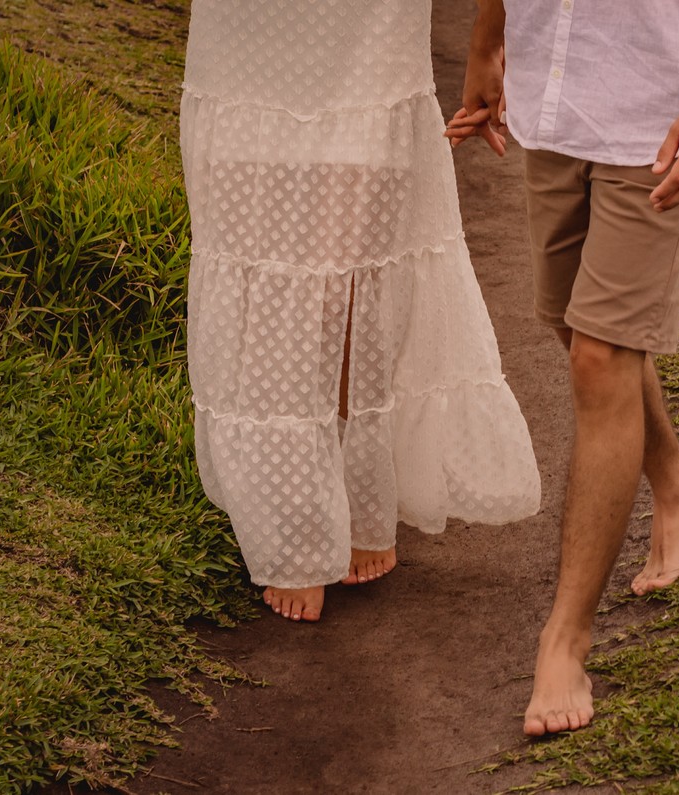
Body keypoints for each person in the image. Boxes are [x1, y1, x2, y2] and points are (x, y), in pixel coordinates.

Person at [448, 0, 679, 735]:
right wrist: (489, 41)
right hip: (555, 83)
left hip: (663, 102)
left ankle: (565, 638)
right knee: (573, 327)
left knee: (603, 354)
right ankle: (676, 486)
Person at [179, 0, 541, 623]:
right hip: (247, 31)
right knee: (259, 244)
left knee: (356, 256)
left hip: (369, 24)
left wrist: (487, 45)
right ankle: (294, 513)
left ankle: (355, 493)